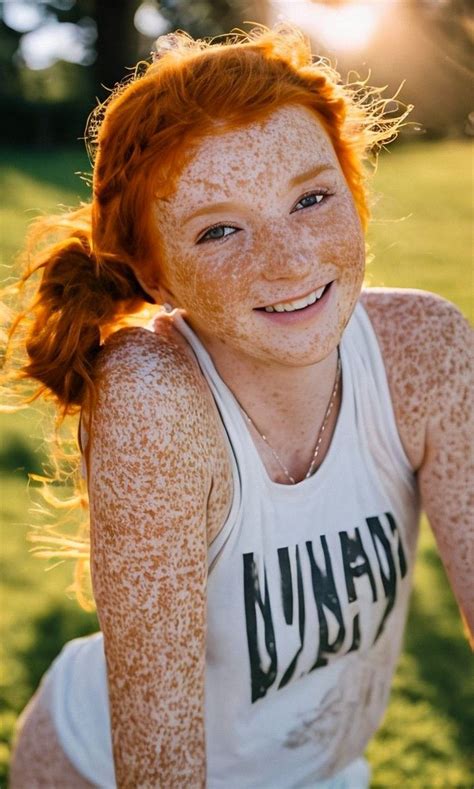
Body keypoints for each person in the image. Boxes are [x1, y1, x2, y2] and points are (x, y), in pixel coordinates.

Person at [7, 24, 472, 789]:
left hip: (322, 771)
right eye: (219, 229)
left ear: (356, 194)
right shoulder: (154, 400)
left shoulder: (424, 352)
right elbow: (161, 776)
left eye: (312, 198)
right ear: (154, 277)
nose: (289, 261)